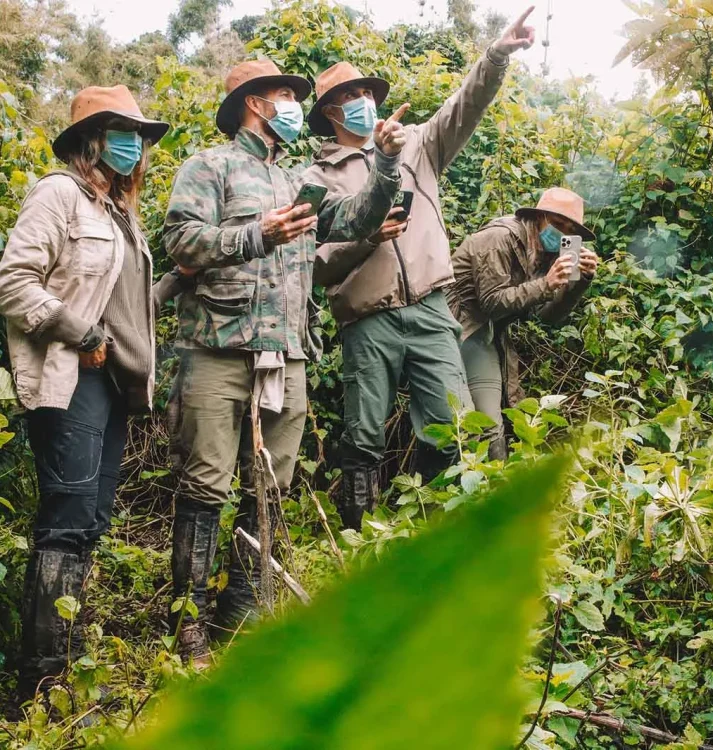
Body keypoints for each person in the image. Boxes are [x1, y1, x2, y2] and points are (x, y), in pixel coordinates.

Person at [163, 58, 406, 664]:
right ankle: (188, 626)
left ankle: (242, 613)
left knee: (272, 485)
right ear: (254, 103)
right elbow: (179, 241)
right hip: (217, 350)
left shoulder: (302, 178)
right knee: (206, 485)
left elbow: (355, 220)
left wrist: (386, 164)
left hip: (287, 355)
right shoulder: (209, 166)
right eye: (282, 94)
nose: (292, 104)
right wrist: (255, 235)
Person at [303, 7, 537, 529]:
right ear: (329, 115)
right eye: (346, 98)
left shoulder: (417, 147)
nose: (360, 103)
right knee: (362, 435)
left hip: (432, 308)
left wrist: (496, 55)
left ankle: (440, 538)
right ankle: (356, 542)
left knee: (452, 426)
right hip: (367, 318)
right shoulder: (317, 179)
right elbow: (316, 268)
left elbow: (464, 106)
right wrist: (366, 241)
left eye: (364, 93)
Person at [0, 85, 169, 698]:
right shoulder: (59, 194)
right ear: (89, 140)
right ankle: (41, 687)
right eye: (120, 131)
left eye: (138, 135)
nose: (134, 144)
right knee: (66, 523)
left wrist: (181, 278)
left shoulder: (118, 214)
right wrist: (81, 331)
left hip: (111, 387)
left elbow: (125, 306)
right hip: (72, 380)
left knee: (90, 522)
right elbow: (15, 283)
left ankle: (63, 665)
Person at [447, 188, 598, 458]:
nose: (563, 232)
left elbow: (546, 317)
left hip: (485, 334)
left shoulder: (546, 255)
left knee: (490, 428)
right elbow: (492, 302)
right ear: (539, 217)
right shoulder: (499, 238)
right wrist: (545, 284)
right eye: (558, 223)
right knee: (460, 428)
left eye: (570, 229)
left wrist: (578, 284)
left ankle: (494, 491)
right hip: (452, 329)